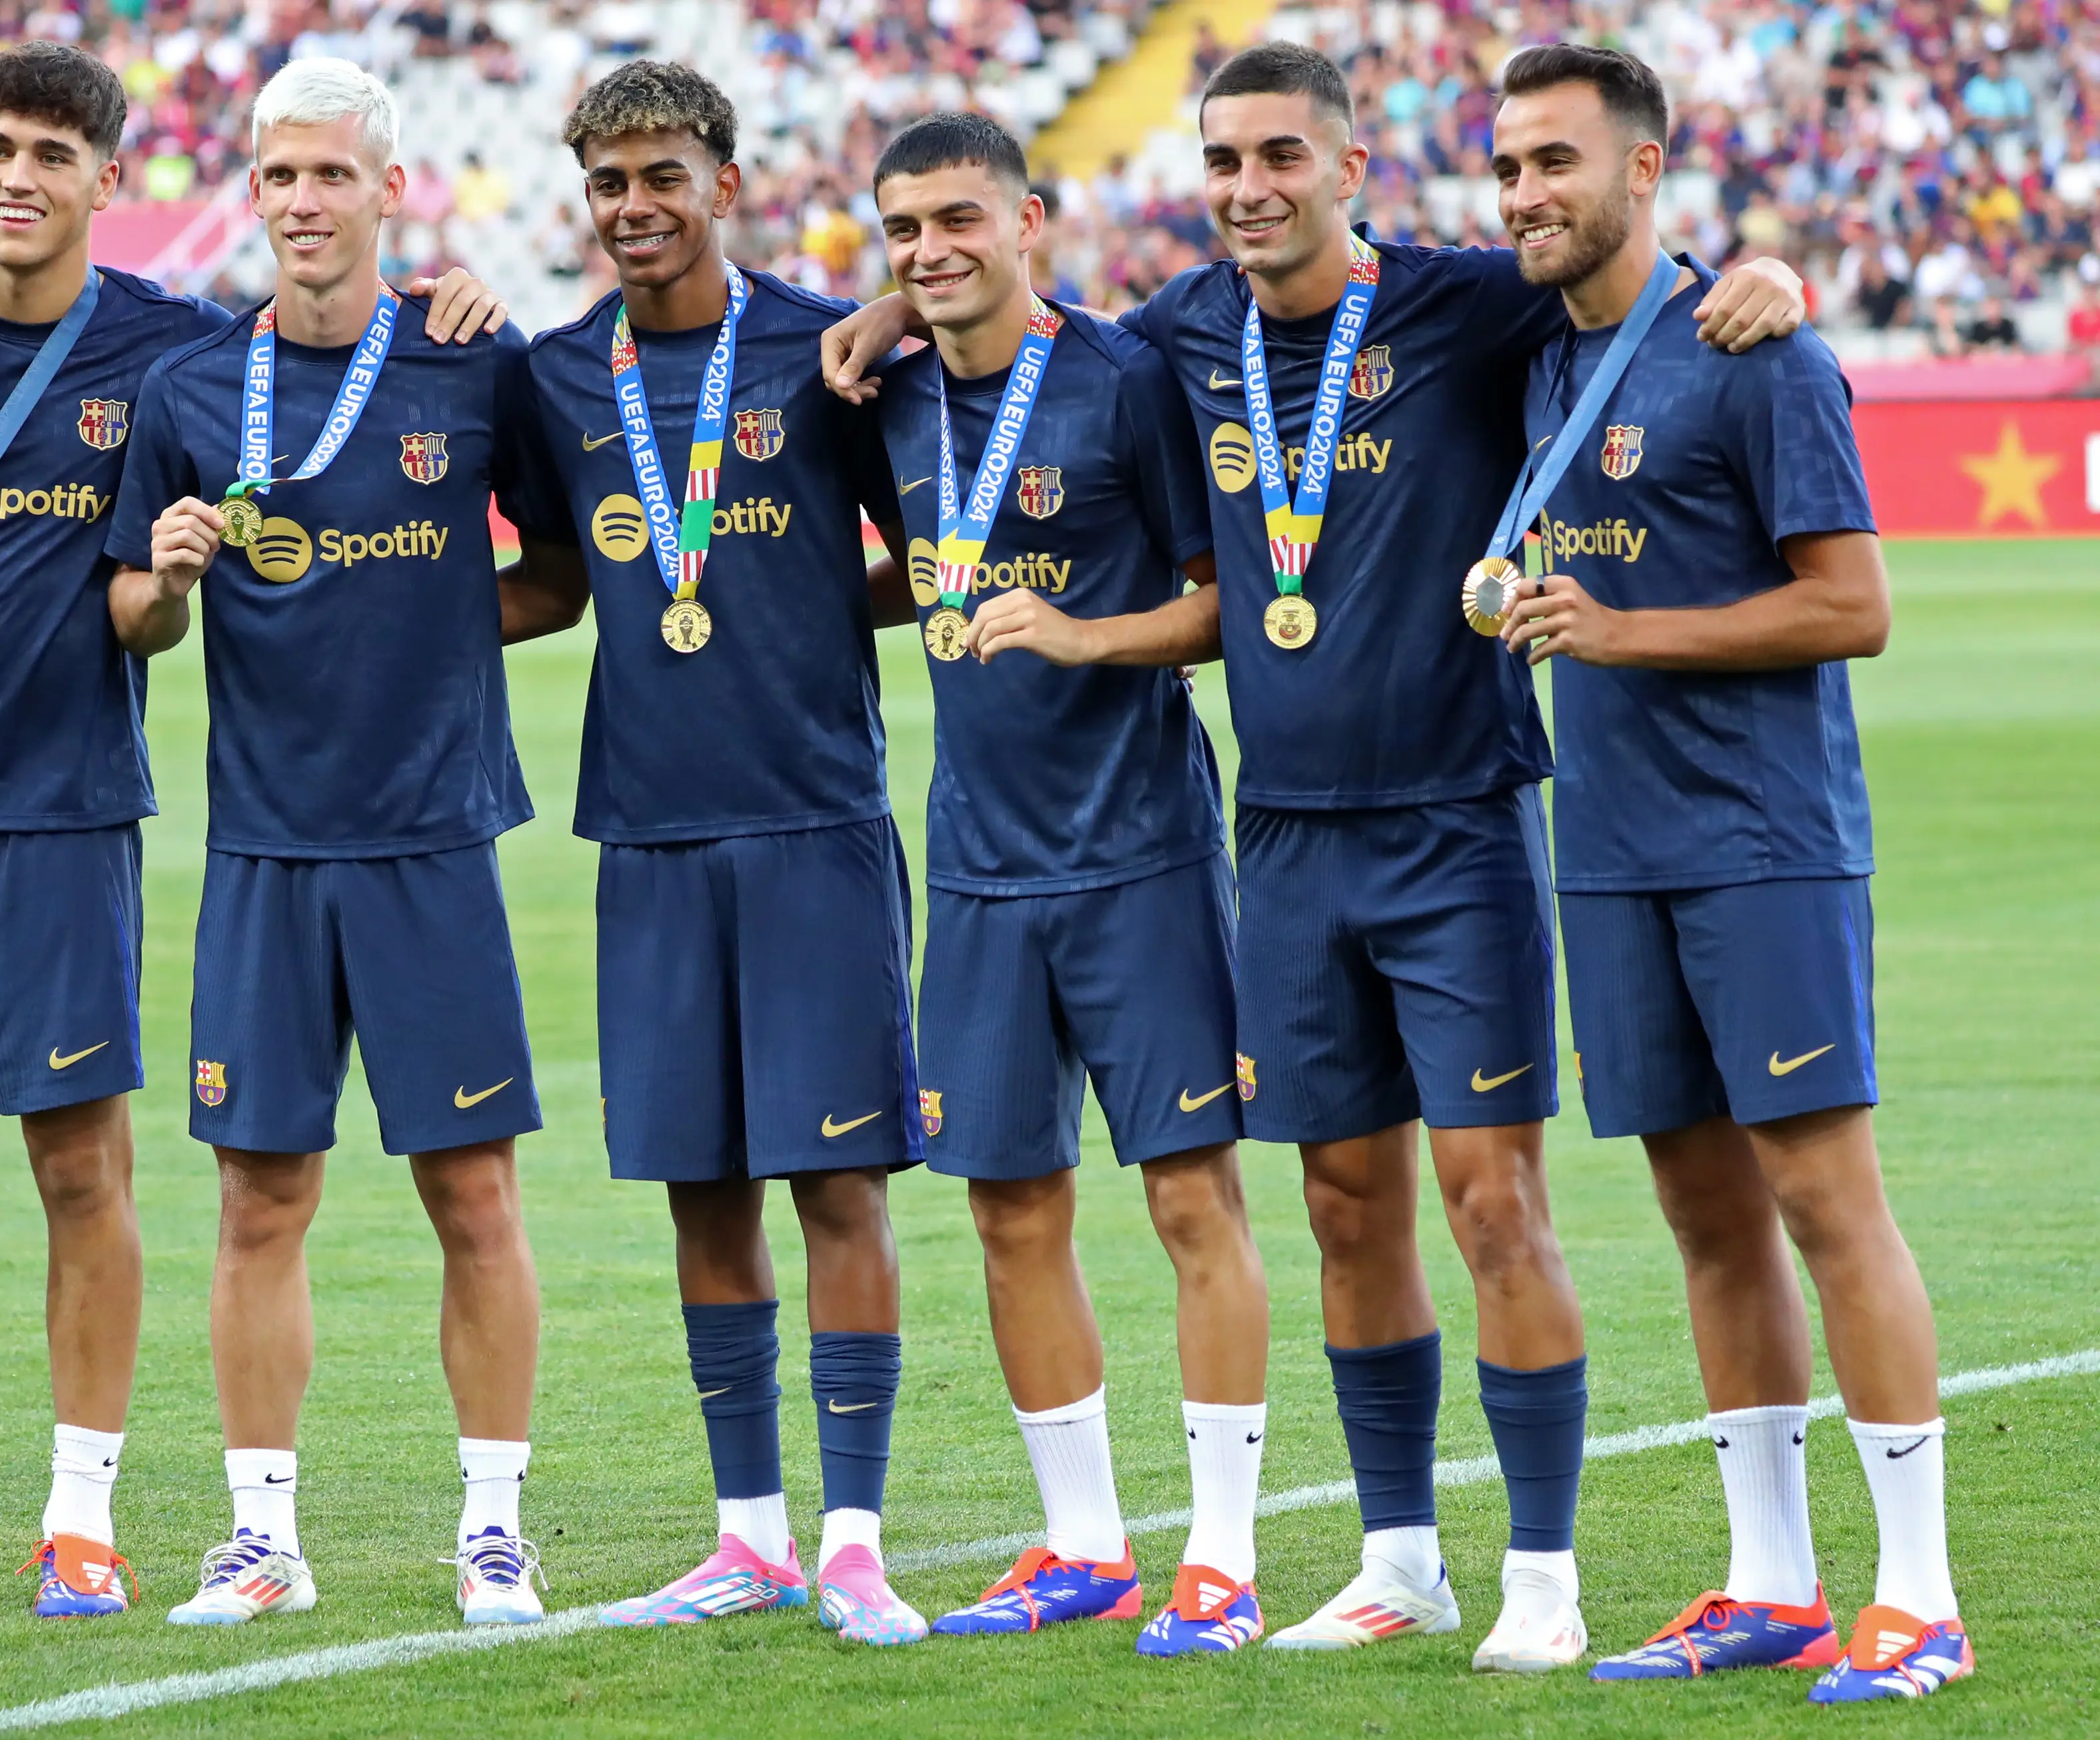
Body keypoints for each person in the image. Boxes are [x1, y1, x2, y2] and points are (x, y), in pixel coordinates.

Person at [823, 39, 1807, 1675]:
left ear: (1349, 169)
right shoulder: (1174, 341)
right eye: (1220, 163)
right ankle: (1398, 1554)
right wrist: (884, 310)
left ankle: (1543, 1573)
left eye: (1280, 157)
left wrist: (1754, 273)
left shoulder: (1458, 304)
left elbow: (1625, 290)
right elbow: (1018, 330)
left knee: (1492, 1204)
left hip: (1457, 819)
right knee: (1346, 1209)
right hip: (1277, 840)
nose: (1247, 189)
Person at [0, 40, 498, 1623]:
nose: (13, 175)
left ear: (108, 180)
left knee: (80, 1171)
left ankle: (77, 1516)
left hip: (66, 813)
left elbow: (168, 581)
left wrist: (453, 301)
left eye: (48, 153)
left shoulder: (170, 357)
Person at [1490, 43, 1969, 1705]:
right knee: (1703, 1222)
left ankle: (1917, 1595)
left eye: (1555, 161)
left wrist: (1624, 635)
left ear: (1642, 170)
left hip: (1759, 846)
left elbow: (1852, 607)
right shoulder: (1537, 361)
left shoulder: (1754, 355)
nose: (1525, 195)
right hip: (1609, 853)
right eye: (1506, 169)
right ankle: (1768, 1582)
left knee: (1823, 1201)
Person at [105, 55, 570, 1632]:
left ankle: (494, 1529)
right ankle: (260, 1539)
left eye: (328, 175)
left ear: (388, 188)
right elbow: (132, 619)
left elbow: (563, 576)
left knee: (473, 1197)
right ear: (252, 191)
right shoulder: (187, 389)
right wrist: (165, 582)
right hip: (264, 853)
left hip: (433, 840)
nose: (300, 203)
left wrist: (430, 633)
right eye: (275, 176)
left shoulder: (470, 366)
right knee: (257, 1203)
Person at [498, 60, 931, 1647]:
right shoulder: (553, 378)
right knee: (701, 1188)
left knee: (837, 1183)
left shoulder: (822, 353)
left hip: (813, 819)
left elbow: (925, 556)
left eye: (661, 176)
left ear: (724, 184)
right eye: (608, 183)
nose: (633, 208)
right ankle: (747, 1531)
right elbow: (545, 574)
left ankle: (857, 1537)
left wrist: (826, 605)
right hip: (650, 828)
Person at [863, 112, 1274, 1657]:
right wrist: (875, 318)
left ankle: (1219, 1559)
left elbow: (1221, 600)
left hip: (1138, 852)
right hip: (974, 863)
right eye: (902, 230)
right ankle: (1083, 1544)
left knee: (1188, 1198)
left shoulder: (1123, 382)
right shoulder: (889, 400)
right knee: (1007, 1209)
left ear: (1028, 218)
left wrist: (1082, 634)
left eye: (958, 218)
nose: (931, 249)